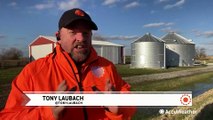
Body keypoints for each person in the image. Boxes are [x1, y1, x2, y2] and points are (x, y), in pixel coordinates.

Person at [0, 8, 136, 120]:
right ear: (58, 37)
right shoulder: (33, 72)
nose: (81, 38)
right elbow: (8, 117)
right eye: (73, 32)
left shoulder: (108, 67)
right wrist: (48, 113)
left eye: (85, 33)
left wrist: (119, 108)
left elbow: (129, 103)